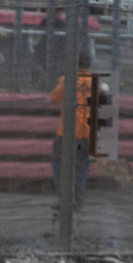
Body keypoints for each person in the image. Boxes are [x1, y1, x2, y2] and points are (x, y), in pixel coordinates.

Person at [47, 67, 94, 212]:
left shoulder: (67, 80)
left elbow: (54, 97)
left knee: (58, 162)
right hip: (86, 133)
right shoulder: (95, 81)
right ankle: (77, 201)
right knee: (81, 166)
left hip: (67, 133)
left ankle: (64, 198)